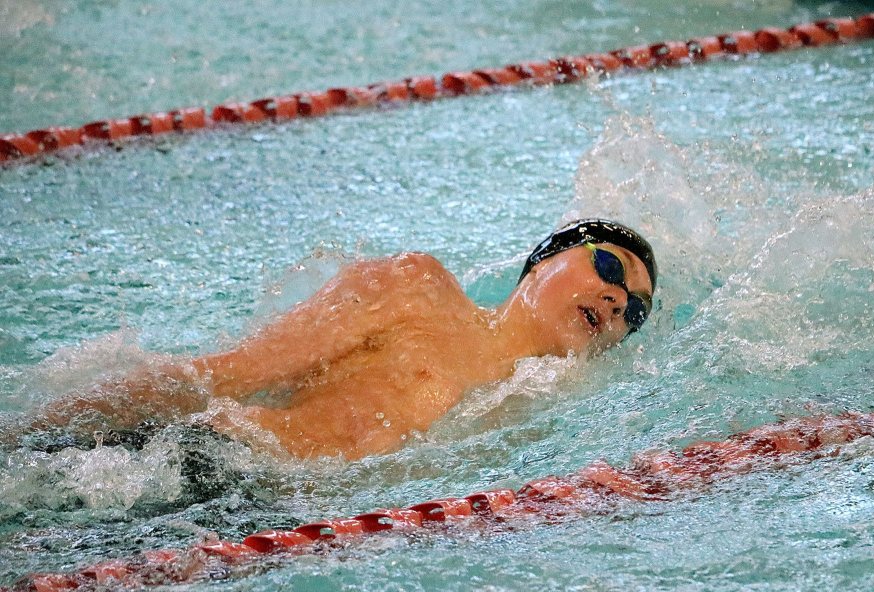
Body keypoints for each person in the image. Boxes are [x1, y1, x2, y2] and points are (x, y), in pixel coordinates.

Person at [23, 218, 657, 460]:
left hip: (273, 530)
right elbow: (218, 376)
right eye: (608, 268)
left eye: (636, 310)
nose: (616, 299)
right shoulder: (419, 291)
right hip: (202, 459)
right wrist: (25, 437)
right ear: (541, 262)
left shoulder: (545, 417)